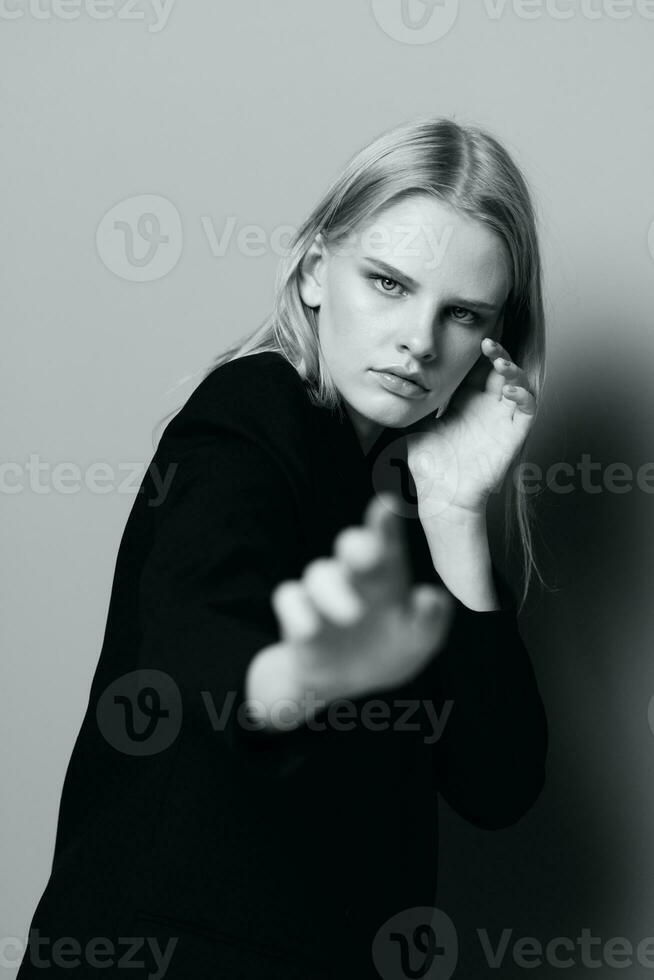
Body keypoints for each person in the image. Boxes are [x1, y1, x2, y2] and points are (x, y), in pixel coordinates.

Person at [17, 116, 548, 979]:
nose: (419, 339)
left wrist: (456, 514)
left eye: (461, 314)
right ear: (312, 275)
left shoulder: (405, 493)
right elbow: (200, 646)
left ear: (492, 342)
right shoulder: (246, 417)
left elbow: (499, 785)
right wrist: (302, 675)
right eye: (387, 283)